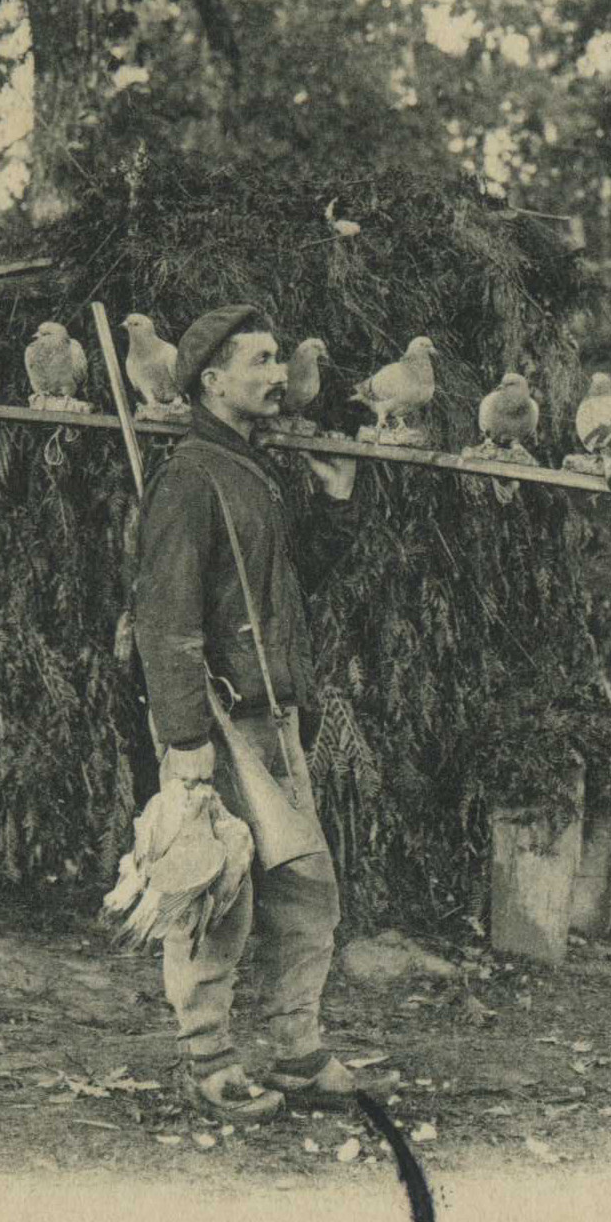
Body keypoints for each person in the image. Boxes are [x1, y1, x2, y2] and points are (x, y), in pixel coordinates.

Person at [131, 304, 370, 1120]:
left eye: (278, 360)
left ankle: (296, 1051)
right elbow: (167, 619)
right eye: (262, 361)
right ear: (212, 380)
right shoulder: (190, 478)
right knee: (218, 891)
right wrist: (186, 740)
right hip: (223, 721)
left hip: (276, 715)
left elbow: (284, 590)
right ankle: (210, 1059)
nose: (279, 376)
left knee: (306, 886)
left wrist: (334, 507)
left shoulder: (253, 470)